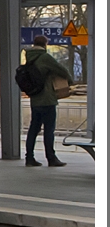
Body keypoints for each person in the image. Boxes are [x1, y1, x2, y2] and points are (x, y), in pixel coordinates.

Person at [24, 35, 74, 167]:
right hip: (48, 99)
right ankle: (51, 158)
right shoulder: (45, 57)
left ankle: (29, 158)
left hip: (35, 100)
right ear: (45, 44)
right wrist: (70, 81)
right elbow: (61, 70)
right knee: (48, 130)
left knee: (33, 129)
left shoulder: (29, 58)